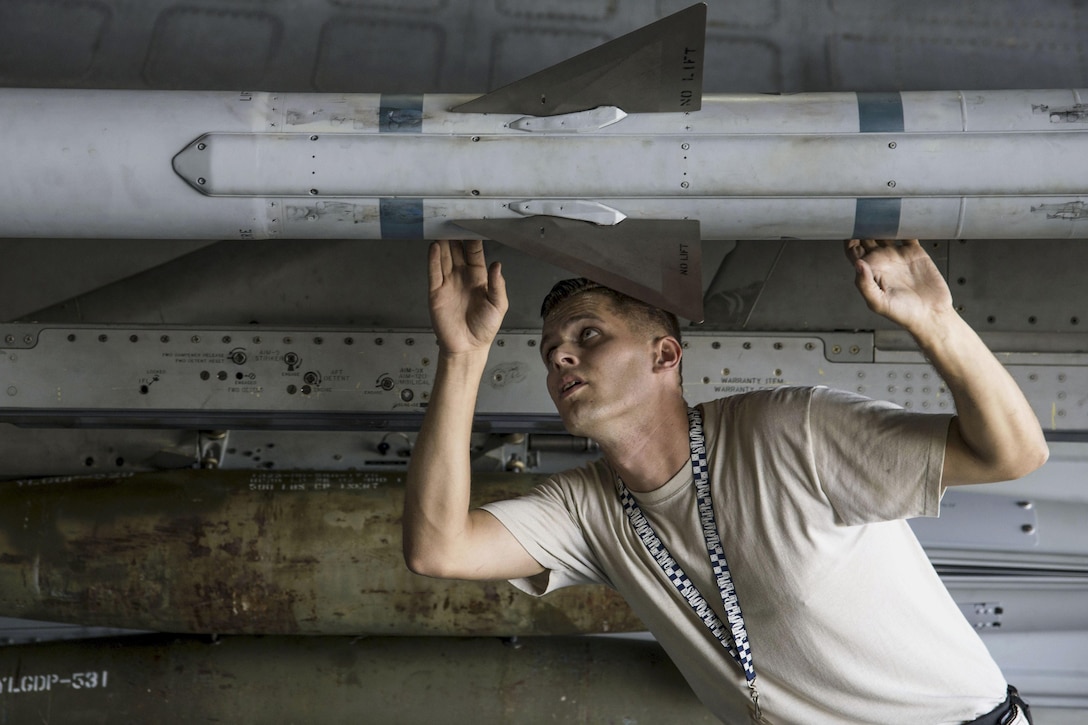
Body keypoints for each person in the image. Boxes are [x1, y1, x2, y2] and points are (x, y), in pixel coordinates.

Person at [404, 238, 1048, 724]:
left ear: (664, 355)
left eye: (587, 335)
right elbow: (439, 548)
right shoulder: (586, 509)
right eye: (550, 353)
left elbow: (1012, 455)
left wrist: (937, 322)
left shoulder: (790, 430)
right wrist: (463, 357)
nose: (561, 357)